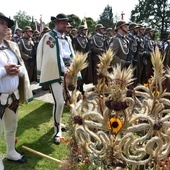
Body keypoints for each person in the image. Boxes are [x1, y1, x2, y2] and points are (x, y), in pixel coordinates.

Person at [0, 12, 33, 170]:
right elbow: (4, 70)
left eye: (6, 23)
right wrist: (4, 71)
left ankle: (11, 152)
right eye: (1, 23)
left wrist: (18, 70)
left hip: (13, 96)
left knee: (12, 126)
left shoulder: (11, 46)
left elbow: (20, 65)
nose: (6, 26)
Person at [37, 13, 75, 145]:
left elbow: (71, 55)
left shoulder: (67, 38)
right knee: (60, 102)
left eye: (66, 23)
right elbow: (53, 57)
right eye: (63, 23)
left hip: (68, 74)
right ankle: (57, 130)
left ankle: (59, 122)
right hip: (56, 74)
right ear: (56, 23)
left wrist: (74, 69)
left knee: (63, 101)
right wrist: (64, 69)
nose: (66, 25)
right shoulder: (49, 37)